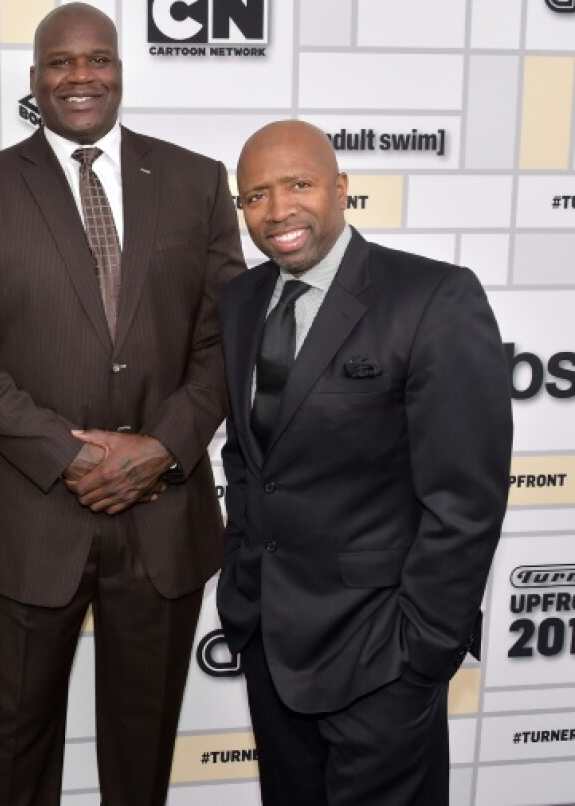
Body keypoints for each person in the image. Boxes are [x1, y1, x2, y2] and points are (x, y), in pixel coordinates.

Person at [0, 2, 245, 804]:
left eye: (97, 58)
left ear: (120, 72)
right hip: (38, 515)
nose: (80, 76)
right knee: (19, 738)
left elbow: (226, 342)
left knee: (143, 746)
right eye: (61, 63)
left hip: (164, 513)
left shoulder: (198, 181)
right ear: (35, 81)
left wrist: (162, 448)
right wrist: (72, 455)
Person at [218, 119, 512, 804]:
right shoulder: (241, 301)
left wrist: (425, 647)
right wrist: (243, 595)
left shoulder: (433, 297)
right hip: (269, 642)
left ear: (341, 189)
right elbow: (248, 459)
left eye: (299, 185)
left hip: (382, 652)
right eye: (256, 195)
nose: (278, 210)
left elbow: (466, 498)